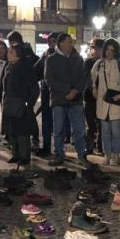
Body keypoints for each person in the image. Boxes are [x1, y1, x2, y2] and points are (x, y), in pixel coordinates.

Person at [44, 33, 90, 167]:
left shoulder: (78, 59)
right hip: (59, 99)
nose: (71, 44)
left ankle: (82, 154)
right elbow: (49, 80)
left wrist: (75, 91)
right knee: (58, 129)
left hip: (76, 100)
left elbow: (83, 78)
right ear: (61, 43)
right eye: (69, 42)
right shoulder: (51, 59)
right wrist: (67, 91)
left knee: (79, 129)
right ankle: (59, 153)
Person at [91, 39, 120, 166]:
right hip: (102, 102)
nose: (109, 52)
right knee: (104, 130)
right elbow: (92, 78)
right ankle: (107, 154)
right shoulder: (99, 64)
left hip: (116, 103)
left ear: (116, 51)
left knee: (116, 130)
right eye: (107, 49)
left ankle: (116, 155)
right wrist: (94, 89)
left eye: (112, 50)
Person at [1, 43, 40, 166]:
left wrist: (29, 103)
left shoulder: (24, 67)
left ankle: (24, 156)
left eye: (11, 52)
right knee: (12, 131)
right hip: (10, 102)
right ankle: (16, 155)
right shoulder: (9, 66)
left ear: (18, 55)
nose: (8, 54)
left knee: (22, 132)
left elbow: (34, 88)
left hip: (21, 103)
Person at [34, 32, 59, 157]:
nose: (51, 44)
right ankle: (46, 147)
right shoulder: (45, 54)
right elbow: (36, 69)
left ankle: (59, 150)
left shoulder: (63, 55)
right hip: (45, 90)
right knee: (46, 120)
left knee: (58, 122)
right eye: (50, 41)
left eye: (54, 41)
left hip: (58, 92)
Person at [84, 39, 105, 155]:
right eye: (92, 48)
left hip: (102, 99)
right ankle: (89, 147)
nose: (93, 51)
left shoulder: (106, 63)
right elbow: (88, 79)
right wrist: (93, 90)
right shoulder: (88, 63)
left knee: (101, 124)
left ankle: (101, 147)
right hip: (90, 98)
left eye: (95, 48)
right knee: (90, 125)